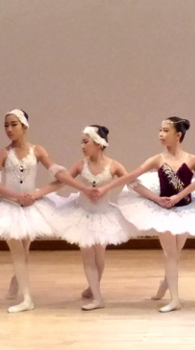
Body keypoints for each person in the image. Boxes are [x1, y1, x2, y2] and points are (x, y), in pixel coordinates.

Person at [0, 109, 91, 313]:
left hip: (31, 205)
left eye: (13, 124)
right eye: (6, 125)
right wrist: (17, 196)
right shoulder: (2, 153)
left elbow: (59, 176)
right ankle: (27, 299)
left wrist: (82, 188)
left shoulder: (37, 151)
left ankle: (17, 280)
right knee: (18, 252)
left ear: (24, 126)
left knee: (25, 249)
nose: (9, 129)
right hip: (8, 206)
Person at [94, 117, 195, 313]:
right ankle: (175, 299)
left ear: (178, 135)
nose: (161, 134)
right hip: (164, 211)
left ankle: (165, 285)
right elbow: (131, 177)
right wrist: (107, 187)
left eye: (166, 130)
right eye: (160, 130)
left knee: (176, 253)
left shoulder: (192, 159)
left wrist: (180, 195)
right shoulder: (157, 159)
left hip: (186, 210)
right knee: (170, 254)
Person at [32, 125, 135, 311]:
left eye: (85, 142)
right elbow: (61, 182)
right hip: (81, 215)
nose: (82, 146)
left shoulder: (114, 166)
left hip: (103, 215)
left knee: (99, 256)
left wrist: (153, 198)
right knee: (88, 256)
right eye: (81, 142)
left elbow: (130, 181)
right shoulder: (81, 165)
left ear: (98, 143)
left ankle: (92, 289)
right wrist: (37, 194)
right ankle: (97, 298)